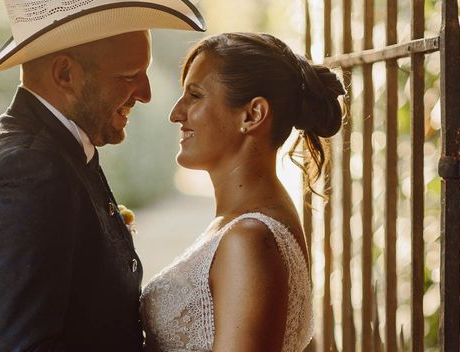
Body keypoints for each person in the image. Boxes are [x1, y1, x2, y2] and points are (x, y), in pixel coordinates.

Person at [0, 0, 205, 351]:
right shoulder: (28, 172)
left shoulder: (54, 151)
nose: (147, 94)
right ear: (65, 74)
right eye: (129, 76)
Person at [140, 32, 345, 352]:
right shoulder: (246, 223)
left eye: (194, 96)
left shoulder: (249, 238)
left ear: (252, 115)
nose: (176, 114)